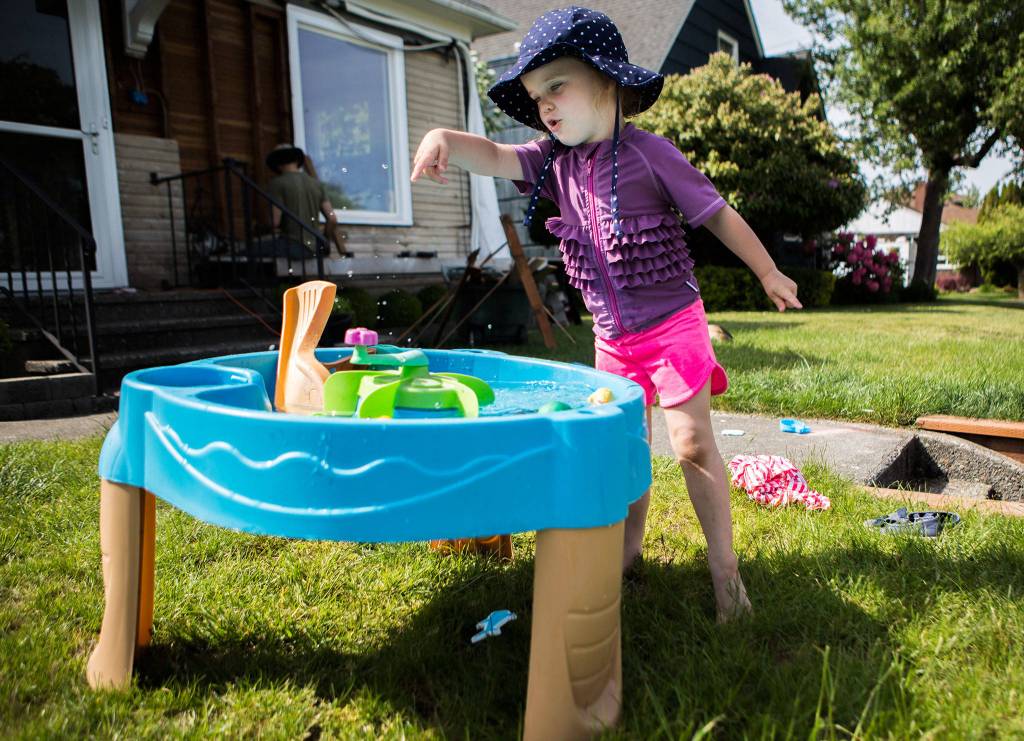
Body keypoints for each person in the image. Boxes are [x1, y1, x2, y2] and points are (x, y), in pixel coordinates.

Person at [411, 6, 802, 622]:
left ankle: (726, 574)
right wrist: (445, 140)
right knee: (624, 446)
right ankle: (628, 548)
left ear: (608, 82)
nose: (543, 105)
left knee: (693, 441)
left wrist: (767, 270)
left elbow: (716, 212)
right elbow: (491, 153)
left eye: (556, 86)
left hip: (673, 325)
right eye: (536, 95)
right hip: (612, 340)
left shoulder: (652, 156)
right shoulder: (552, 164)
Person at [264, 144, 346, 258]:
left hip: (293, 245)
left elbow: (274, 222)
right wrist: (324, 238)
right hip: (316, 247)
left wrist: (264, 225)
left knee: (243, 253)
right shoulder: (316, 184)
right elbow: (332, 218)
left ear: (277, 164)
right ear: (297, 161)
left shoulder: (277, 183)